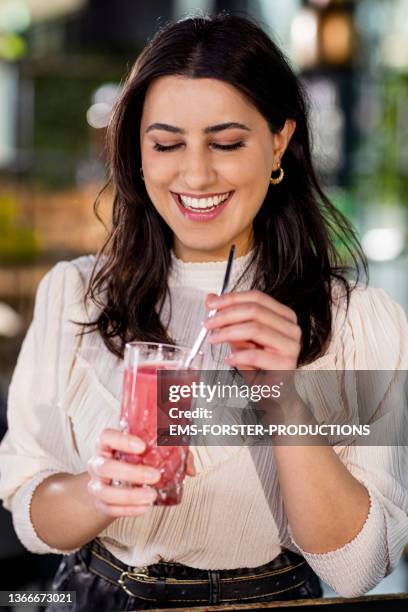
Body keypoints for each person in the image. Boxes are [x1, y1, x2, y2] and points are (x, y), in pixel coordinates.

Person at [1, 12, 408, 611]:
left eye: (226, 143)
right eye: (166, 143)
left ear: (278, 142)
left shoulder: (357, 322)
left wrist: (286, 401)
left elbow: (359, 567)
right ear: (137, 151)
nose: (195, 173)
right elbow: (30, 506)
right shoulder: (75, 295)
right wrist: (98, 492)